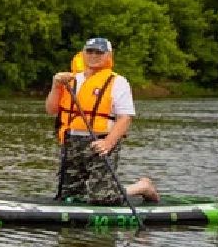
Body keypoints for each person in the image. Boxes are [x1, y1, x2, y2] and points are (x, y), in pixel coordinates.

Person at [44, 36, 158, 205]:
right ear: (83, 53)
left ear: (108, 56)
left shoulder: (118, 82)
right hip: (72, 142)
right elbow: (51, 109)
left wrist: (108, 143)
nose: (94, 55)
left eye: (99, 52)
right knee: (69, 198)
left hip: (101, 142)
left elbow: (125, 118)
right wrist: (55, 85)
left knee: (102, 199)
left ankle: (142, 187)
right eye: (90, 51)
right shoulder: (69, 80)